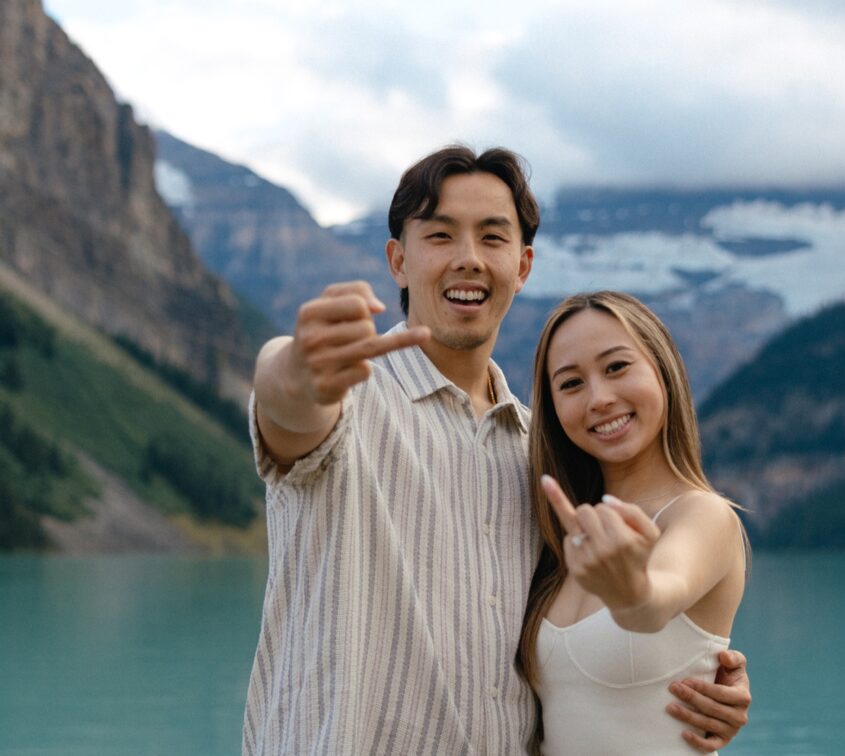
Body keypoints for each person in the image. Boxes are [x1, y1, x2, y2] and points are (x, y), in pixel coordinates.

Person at [244, 146, 751, 754]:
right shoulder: (352, 400)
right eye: (440, 236)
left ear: (523, 265)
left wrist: (687, 669)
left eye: (492, 237)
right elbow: (287, 402)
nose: (468, 260)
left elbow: (629, 633)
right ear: (398, 261)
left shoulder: (542, 456)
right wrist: (297, 367)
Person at [516, 291, 749, 755]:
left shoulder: (702, 515)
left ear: (662, 370)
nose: (600, 398)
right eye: (571, 383)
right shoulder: (558, 531)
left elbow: (656, 599)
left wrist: (632, 593)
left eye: (617, 367)